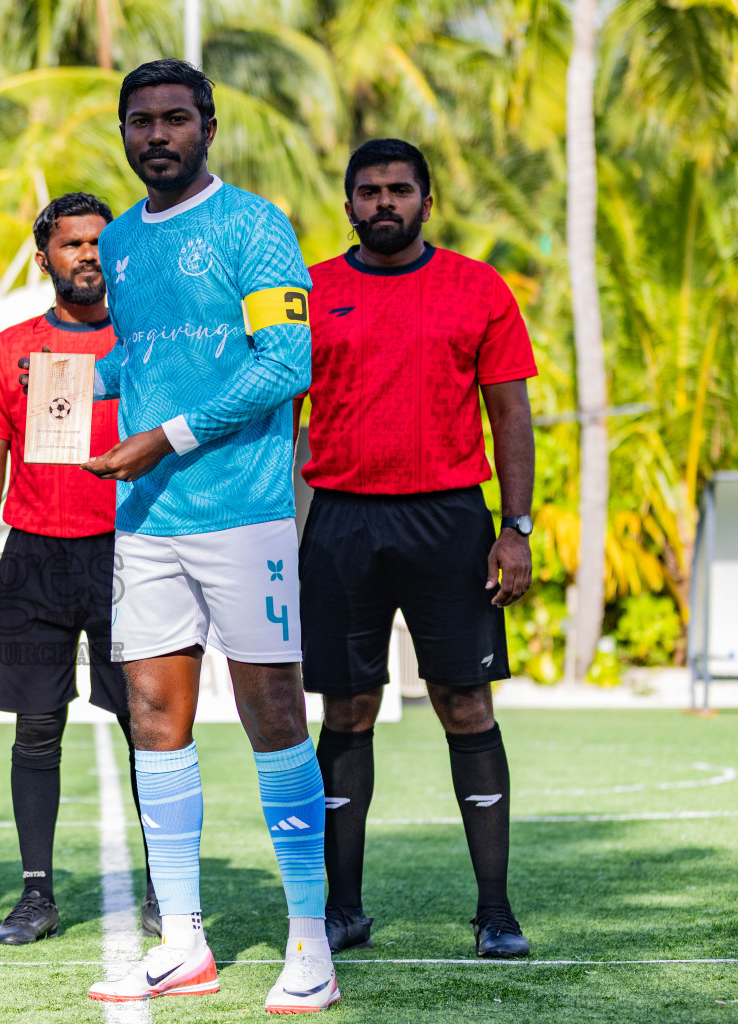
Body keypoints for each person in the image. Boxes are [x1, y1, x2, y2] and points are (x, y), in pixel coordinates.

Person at [69, 59, 338, 1013]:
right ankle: (181, 941)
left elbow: (286, 364)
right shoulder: (126, 243)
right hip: (145, 520)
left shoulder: (256, 226)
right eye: (139, 121)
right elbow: (137, 364)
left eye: (174, 119)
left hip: (244, 510)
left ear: (208, 127)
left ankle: (311, 941)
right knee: (153, 720)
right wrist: (59, 386)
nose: (156, 136)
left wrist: (166, 437)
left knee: (272, 716)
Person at [299, 138, 536, 959]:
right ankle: (342, 910)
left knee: (465, 706)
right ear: (349, 202)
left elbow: (510, 414)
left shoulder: (478, 287)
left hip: (449, 521)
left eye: (400, 190)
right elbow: (271, 409)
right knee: (347, 710)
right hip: (340, 522)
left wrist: (517, 526)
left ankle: (496, 911)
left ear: (428, 202)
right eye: (368, 191)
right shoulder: (309, 290)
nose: (384, 203)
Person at [0, 192, 161, 946]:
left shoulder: (147, 342)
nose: (86, 256)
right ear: (44, 257)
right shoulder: (9, 348)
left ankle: (165, 889)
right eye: (70, 244)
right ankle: (36, 894)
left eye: (99, 244)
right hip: (36, 554)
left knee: (149, 725)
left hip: (133, 549)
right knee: (36, 727)